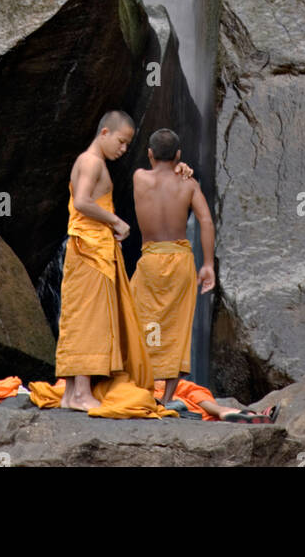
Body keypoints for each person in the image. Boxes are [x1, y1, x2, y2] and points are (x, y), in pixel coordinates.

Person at [55, 109, 146, 412]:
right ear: (104, 133)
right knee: (89, 319)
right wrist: (116, 222)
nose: (123, 149)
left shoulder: (90, 161)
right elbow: (82, 201)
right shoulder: (92, 161)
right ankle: (81, 393)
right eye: (121, 142)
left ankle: (71, 394)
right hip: (90, 250)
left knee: (80, 316)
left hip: (92, 248)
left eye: (127, 146)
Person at [130, 127, 215, 404]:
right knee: (176, 329)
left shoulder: (139, 178)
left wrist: (178, 165)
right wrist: (209, 265)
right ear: (178, 155)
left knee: (140, 321)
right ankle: (165, 397)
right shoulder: (189, 184)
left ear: (150, 154)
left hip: (150, 261)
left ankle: (140, 387)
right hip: (180, 262)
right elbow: (205, 221)